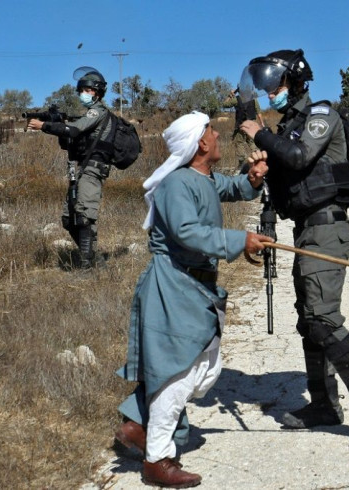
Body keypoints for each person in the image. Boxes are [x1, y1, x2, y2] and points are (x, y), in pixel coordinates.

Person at [238, 49, 349, 449]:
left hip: (327, 231)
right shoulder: (288, 127)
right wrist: (262, 172)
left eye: (274, 85)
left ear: (296, 82)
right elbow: (283, 178)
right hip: (304, 233)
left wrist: (258, 132)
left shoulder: (320, 115)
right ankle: (324, 404)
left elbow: (299, 157)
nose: (268, 92)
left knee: (323, 320)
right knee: (308, 320)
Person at [114, 111, 273, 487]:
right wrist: (239, 240)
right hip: (173, 286)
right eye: (212, 131)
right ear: (201, 143)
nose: (218, 135)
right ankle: (157, 460)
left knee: (199, 370)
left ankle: (137, 424)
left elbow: (230, 189)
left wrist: (252, 179)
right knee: (177, 375)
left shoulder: (200, 178)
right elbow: (187, 231)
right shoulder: (175, 185)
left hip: (194, 287)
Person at [27, 66, 113, 269]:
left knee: (83, 216)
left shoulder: (97, 112)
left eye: (87, 90)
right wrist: (57, 125)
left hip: (92, 169)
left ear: (97, 92)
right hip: (78, 168)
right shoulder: (86, 116)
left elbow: (74, 131)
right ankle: (92, 256)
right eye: (81, 90)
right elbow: (69, 140)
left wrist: (44, 126)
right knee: (69, 219)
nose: (82, 94)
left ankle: (86, 265)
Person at [222, 86, 262, 169]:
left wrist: (230, 95)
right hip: (252, 125)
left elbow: (224, 104)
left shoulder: (237, 99)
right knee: (251, 142)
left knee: (239, 142)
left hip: (241, 125)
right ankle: (258, 158)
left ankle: (241, 162)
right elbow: (258, 111)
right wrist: (262, 123)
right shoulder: (253, 99)